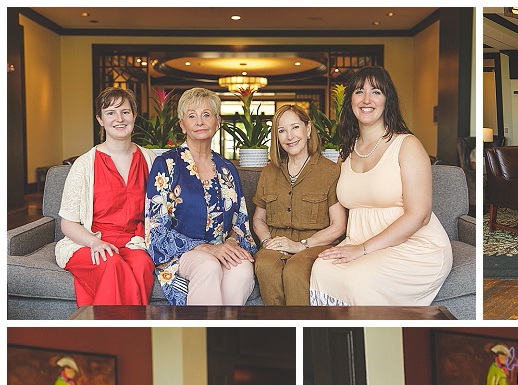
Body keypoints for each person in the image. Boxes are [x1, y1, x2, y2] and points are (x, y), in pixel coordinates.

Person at [309, 66, 452, 306]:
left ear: (388, 100)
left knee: (358, 278)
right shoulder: (346, 153)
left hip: (415, 247)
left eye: (376, 92)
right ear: (350, 101)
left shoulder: (407, 145)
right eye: (359, 92)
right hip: (359, 243)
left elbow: (420, 214)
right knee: (322, 268)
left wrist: (363, 249)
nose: (366, 99)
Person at [145, 88, 255, 305]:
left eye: (206, 114)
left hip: (221, 249)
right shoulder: (166, 164)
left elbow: (240, 221)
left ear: (217, 121)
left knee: (242, 268)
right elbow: (155, 229)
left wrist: (232, 242)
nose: (199, 121)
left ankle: (227, 335)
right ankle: (204, 335)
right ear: (182, 124)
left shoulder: (227, 169)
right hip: (181, 253)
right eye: (191, 115)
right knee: (208, 265)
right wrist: (207, 249)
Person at [56, 87, 157, 306]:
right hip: (88, 242)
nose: (119, 119)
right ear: (100, 120)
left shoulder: (149, 160)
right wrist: (94, 242)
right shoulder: (84, 165)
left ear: (134, 116)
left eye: (125, 112)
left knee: (142, 266)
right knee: (110, 263)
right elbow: (67, 223)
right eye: (111, 113)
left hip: (134, 242)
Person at [251, 103, 346, 305]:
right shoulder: (268, 173)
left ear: (308, 129)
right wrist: (268, 241)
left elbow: (338, 225)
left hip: (314, 245)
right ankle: (278, 332)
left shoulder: (329, 171)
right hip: (275, 242)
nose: (290, 136)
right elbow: (259, 218)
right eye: (282, 131)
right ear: (277, 137)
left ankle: (300, 329)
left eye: (295, 127)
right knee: (266, 265)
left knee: (295, 270)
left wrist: (300, 246)